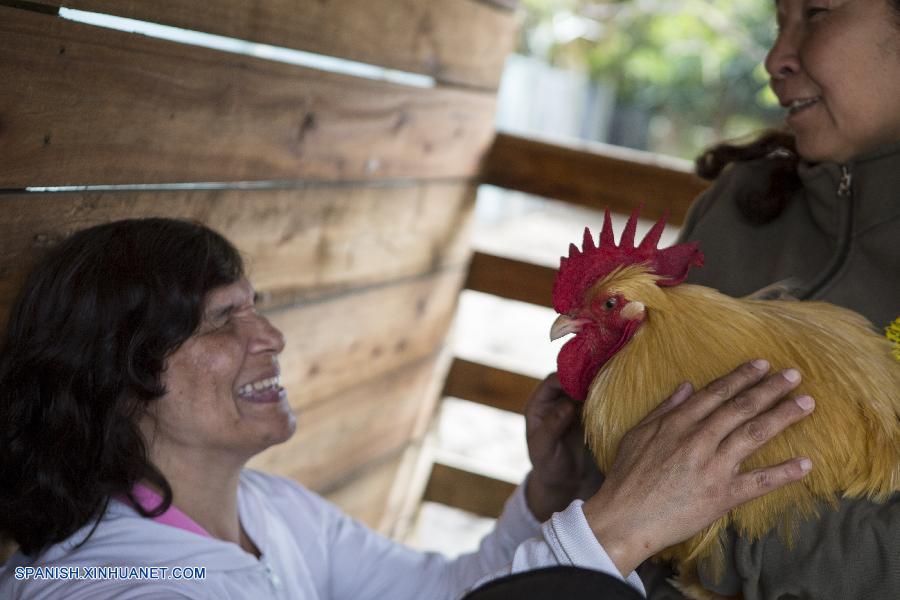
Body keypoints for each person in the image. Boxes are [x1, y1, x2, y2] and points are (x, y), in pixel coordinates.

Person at [0, 218, 812, 599]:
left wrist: (548, 500)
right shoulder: (116, 586)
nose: (272, 337)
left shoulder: (269, 512)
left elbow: (446, 590)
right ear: (123, 371)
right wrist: (617, 530)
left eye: (258, 307)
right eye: (223, 321)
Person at [640, 0, 900, 597]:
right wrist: (559, 486)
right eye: (778, 20)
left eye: (816, 12)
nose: (775, 58)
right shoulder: (740, 205)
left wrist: (694, 527)